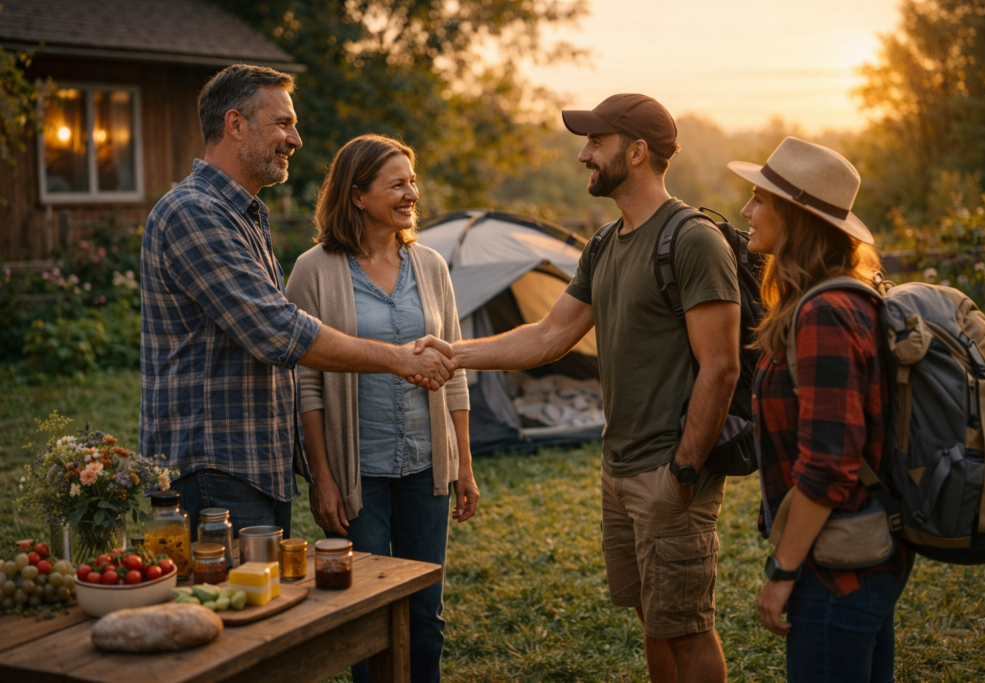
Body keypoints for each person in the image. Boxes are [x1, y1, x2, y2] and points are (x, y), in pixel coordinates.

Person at [418, 94, 740, 683]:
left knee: (688, 625)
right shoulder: (604, 243)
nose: (583, 155)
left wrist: (686, 470)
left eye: (596, 143)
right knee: (654, 617)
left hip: (669, 471)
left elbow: (721, 367)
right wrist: (454, 353)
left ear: (637, 152)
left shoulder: (692, 241)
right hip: (618, 466)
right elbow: (550, 335)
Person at [140, 65, 456, 540]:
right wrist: (397, 359)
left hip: (254, 465)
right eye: (283, 123)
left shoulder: (243, 215)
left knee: (262, 610)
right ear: (235, 124)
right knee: (227, 608)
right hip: (215, 468)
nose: (296, 138)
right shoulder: (194, 213)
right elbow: (279, 332)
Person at [285, 134, 479, 683]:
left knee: (425, 613)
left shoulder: (432, 266)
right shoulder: (314, 271)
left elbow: (455, 369)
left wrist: (463, 463)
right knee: (366, 614)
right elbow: (307, 385)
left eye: (412, 181)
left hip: (426, 468)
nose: (410, 194)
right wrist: (322, 477)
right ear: (356, 194)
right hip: (357, 474)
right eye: (396, 184)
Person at [730, 137, 914, 682]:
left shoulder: (827, 314)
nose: (746, 211)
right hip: (859, 556)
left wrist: (782, 570)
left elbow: (830, 464)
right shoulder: (839, 297)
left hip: (840, 570)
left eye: (759, 199)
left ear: (796, 216)